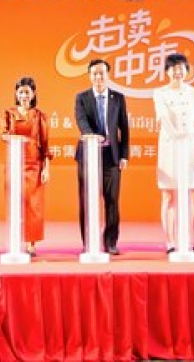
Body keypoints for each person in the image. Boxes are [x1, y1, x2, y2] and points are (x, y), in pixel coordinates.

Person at [154, 53, 194, 253]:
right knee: (169, 195)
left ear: (187, 71)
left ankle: (186, 240)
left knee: (189, 194)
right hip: (170, 147)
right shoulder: (159, 93)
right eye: (174, 68)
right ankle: (170, 242)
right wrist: (178, 135)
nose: (178, 72)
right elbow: (163, 117)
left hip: (190, 148)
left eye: (182, 68)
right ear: (167, 71)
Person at [74, 58, 130, 254]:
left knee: (112, 200)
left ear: (108, 75)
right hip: (88, 155)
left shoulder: (118, 98)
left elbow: (124, 128)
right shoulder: (81, 97)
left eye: (102, 73)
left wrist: (124, 155)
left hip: (111, 156)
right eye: (94, 73)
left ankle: (110, 242)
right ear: (90, 76)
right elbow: (81, 121)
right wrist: (92, 137)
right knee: (87, 200)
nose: (98, 77)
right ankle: (89, 241)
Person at [0, 76, 51, 256]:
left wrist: (46, 168)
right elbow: (3, 134)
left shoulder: (40, 116)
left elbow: (45, 144)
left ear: (33, 94)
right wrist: (15, 138)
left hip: (34, 165)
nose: (24, 96)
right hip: (14, 164)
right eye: (21, 92)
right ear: (16, 94)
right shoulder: (8, 113)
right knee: (14, 203)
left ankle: (31, 244)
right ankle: (15, 240)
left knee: (33, 206)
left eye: (27, 92)